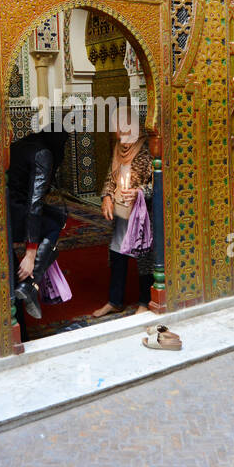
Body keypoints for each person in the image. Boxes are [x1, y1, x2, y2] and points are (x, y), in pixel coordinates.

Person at [92, 108, 154, 317]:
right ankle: (115, 301)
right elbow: (110, 178)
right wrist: (107, 197)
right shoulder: (118, 149)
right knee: (117, 253)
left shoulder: (147, 150)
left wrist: (139, 193)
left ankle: (145, 301)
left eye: (119, 126)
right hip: (121, 213)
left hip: (142, 215)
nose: (116, 132)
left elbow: (159, 184)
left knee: (143, 256)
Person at [6, 129, 71, 320]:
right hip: (14, 215)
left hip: (3, 208)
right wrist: (30, 253)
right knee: (53, 223)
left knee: (55, 217)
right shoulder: (44, 154)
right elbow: (35, 203)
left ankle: (28, 286)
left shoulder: (23, 145)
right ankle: (29, 284)